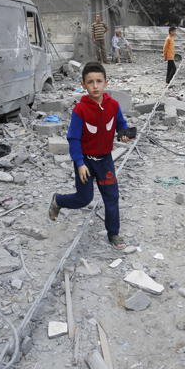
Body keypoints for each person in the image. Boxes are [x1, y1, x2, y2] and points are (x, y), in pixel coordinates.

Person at [48, 62, 131, 249]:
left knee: (111, 197)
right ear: (83, 85)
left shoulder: (113, 105)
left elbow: (121, 124)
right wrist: (79, 163)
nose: (95, 86)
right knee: (84, 199)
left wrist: (124, 133)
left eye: (99, 81)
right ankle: (58, 200)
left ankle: (113, 233)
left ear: (106, 82)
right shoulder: (80, 110)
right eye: (90, 82)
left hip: (105, 160)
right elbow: (74, 138)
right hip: (85, 161)